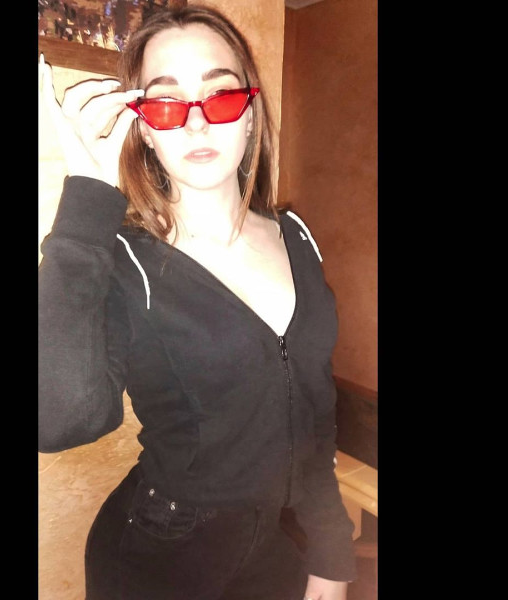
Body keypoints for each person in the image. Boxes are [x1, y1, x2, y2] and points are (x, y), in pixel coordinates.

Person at [38, 4, 357, 600]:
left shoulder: (297, 238)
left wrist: (332, 553)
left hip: (275, 552)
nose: (196, 123)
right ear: (143, 126)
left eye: (221, 95)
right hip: (159, 559)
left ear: (250, 113)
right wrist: (86, 199)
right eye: (166, 102)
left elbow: (315, 412)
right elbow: (57, 421)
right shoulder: (124, 261)